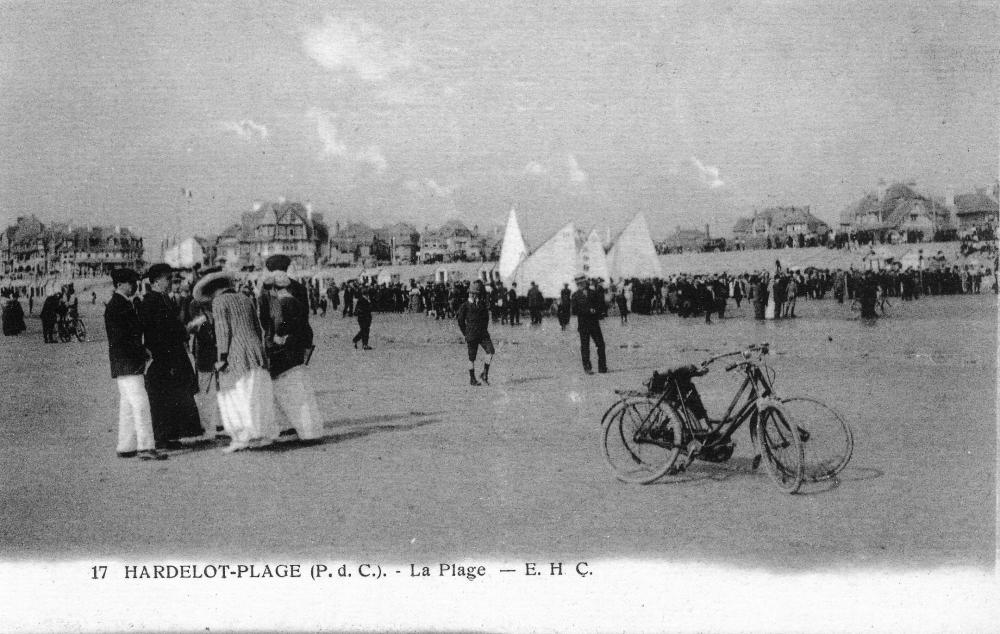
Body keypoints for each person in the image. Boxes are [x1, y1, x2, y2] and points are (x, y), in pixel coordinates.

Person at [194, 270, 277, 453]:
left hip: (235, 353)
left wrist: (221, 358)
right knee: (256, 394)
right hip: (255, 351)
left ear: (212, 290)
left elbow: (223, 331)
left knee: (232, 396)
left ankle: (241, 437)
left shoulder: (219, 302)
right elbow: (258, 328)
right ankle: (263, 434)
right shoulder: (245, 298)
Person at [139, 263, 204, 450]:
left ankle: (170, 435)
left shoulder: (162, 299)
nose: (170, 282)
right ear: (156, 281)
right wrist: (184, 331)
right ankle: (162, 437)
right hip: (163, 356)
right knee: (163, 397)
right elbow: (158, 331)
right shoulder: (151, 301)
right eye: (167, 279)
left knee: (172, 394)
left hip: (171, 354)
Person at [104, 268, 166, 461]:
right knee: (140, 404)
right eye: (131, 283)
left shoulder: (118, 304)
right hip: (129, 362)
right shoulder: (120, 306)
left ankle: (126, 445)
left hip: (121, 362)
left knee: (128, 406)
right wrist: (142, 351)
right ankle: (146, 447)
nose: (135, 286)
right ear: (119, 284)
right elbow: (126, 337)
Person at [261, 271, 323, 442]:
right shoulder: (297, 302)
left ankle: (292, 429)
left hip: (284, 355)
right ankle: (310, 430)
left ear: (274, 288)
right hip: (297, 353)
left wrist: (275, 338)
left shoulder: (280, 304)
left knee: (286, 393)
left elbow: (279, 326)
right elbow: (306, 329)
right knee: (302, 394)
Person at [456, 280, 494, 386]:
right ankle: (472, 379)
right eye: (473, 293)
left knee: (491, 351)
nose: (474, 295)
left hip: (482, 334)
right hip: (471, 335)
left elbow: (486, 318)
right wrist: (466, 333)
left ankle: (485, 374)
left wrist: (484, 329)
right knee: (471, 358)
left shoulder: (482, 304)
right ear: (470, 293)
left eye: (477, 294)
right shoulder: (465, 306)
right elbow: (460, 321)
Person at [571, 275, 607, 374]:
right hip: (583, 325)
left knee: (601, 344)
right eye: (578, 283)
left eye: (582, 282)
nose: (580, 285)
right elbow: (574, 310)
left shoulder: (593, 293)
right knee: (585, 347)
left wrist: (596, 311)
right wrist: (588, 310)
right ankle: (587, 368)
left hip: (594, 323)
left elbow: (600, 305)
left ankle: (602, 367)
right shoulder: (575, 295)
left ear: (585, 282)